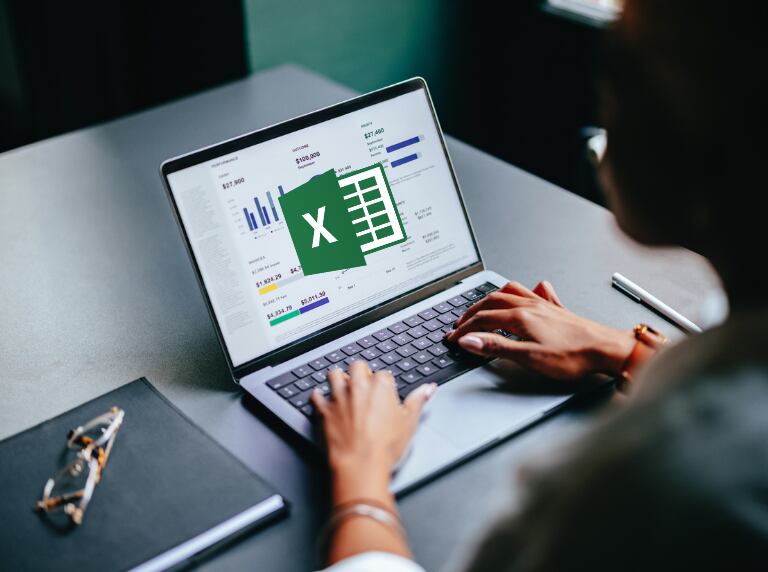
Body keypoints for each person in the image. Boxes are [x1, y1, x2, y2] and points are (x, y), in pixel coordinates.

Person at [311, 0, 768, 569]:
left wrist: (360, 482)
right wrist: (623, 350)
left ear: (694, 139)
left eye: (619, 66)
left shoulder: (646, 486)